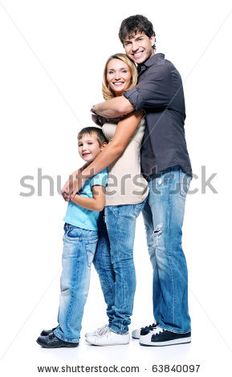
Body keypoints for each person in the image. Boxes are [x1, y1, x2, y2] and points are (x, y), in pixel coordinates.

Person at [64, 15, 192, 347]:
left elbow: (121, 109)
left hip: (169, 170)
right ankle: (165, 320)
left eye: (139, 39)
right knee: (155, 249)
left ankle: (177, 325)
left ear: (153, 39)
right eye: (127, 43)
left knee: (166, 247)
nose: (134, 47)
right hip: (152, 175)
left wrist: (96, 108)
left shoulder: (162, 71)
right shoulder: (143, 76)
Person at [86, 53, 149, 346]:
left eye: (123, 70)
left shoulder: (134, 107)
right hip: (107, 193)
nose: (117, 76)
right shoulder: (112, 111)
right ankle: (114, 320)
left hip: (126, 192)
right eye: (111, 71)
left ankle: (121, 328)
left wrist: (80, 175)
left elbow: (116, 148)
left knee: (121, 260)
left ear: (132, 74)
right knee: (102, 257)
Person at [36, 127, 108, 348]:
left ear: (103, 147)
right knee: (68, 284)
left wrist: (73, 197)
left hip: (82, 233)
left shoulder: (98, 172)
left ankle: (68, 334)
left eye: (89, 143)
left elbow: (98, 204)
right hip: (74, 231)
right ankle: (64, 326)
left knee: (74, 286)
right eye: (80, 144)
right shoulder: (86, 169)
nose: (84, 148)